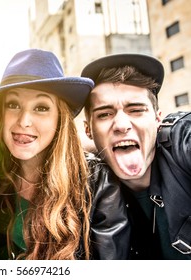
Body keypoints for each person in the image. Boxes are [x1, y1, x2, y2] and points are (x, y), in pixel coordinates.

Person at [0, 49, 130, 260]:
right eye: (13, 104)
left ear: (60, 118)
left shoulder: (97, 182)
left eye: (41, 107)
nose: (24, 121)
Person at [81, 53, 191, 259]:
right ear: (89, 130)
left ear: (158, 119)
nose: (122, 125)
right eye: (104, 114)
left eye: (136, 110)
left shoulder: (182, 139)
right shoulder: (91, 185)